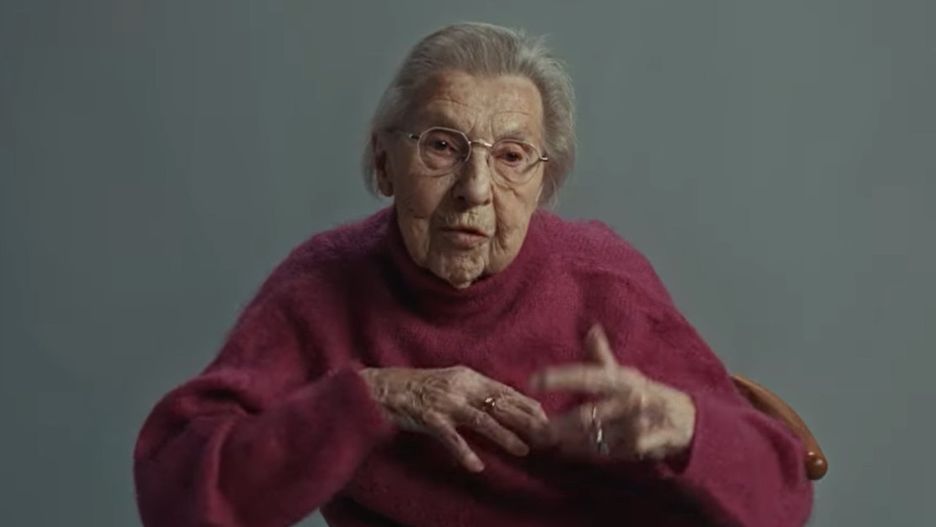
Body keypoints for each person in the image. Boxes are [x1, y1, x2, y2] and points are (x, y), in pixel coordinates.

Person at [133, 22, 813, 527]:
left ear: (545, 182)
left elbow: (782, 493)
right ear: (384, 161)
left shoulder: (603, 286)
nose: (476, 190)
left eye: (512, 156)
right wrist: (373, 397)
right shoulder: (322, 288)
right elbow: (175, 490)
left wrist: (688, 427)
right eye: (442, 146)